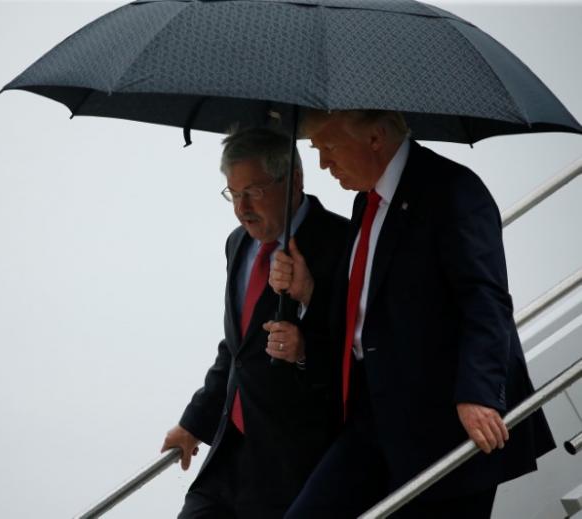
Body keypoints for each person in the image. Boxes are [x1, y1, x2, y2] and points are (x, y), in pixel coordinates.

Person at [270, 110, 555, 518]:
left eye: (329, 148)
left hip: (447, 425)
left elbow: (485, 301)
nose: (322, 164)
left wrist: (478, 393)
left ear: (375, 138)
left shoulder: (453, 190)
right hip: (374, 420)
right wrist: (307, 292)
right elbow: (368, 314)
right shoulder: (363, 204)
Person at [160, 126, 349, 518]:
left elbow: (358, 352)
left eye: (254, 192)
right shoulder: (238, 243)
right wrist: (195, 422)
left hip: (294, 467)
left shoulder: (343, 242)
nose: (242, 207)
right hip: (230, 456)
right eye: (234, 192)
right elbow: (237, 348)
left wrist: (306, 325)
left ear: (294, 180)